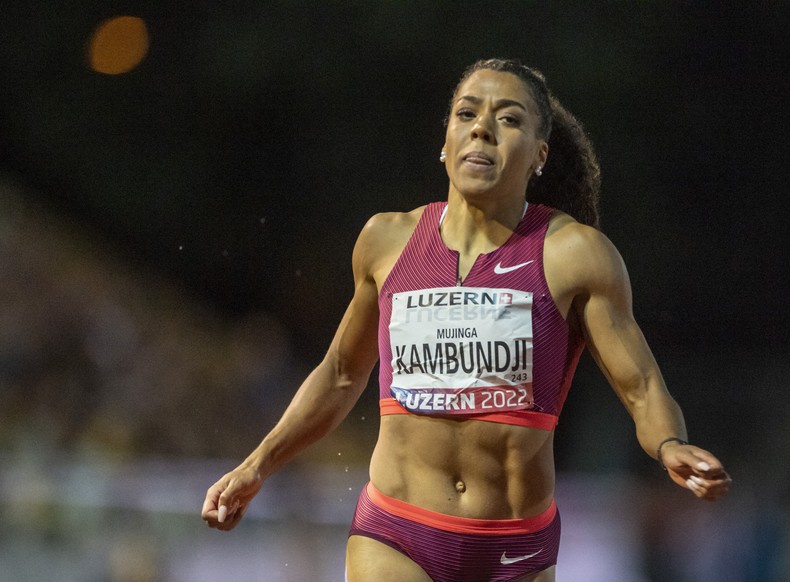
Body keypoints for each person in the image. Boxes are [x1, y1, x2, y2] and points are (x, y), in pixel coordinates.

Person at [201, 58, 732, 581]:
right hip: (397, 530)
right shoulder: (387, 241)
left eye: (509, 119)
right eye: (466, 114)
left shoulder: (575, 254)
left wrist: (669, 444)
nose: (482, 127)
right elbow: (341, 372)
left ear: (539, 154)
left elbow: (639, 385)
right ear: (446, 141)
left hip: (513, 549)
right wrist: (257, 465)